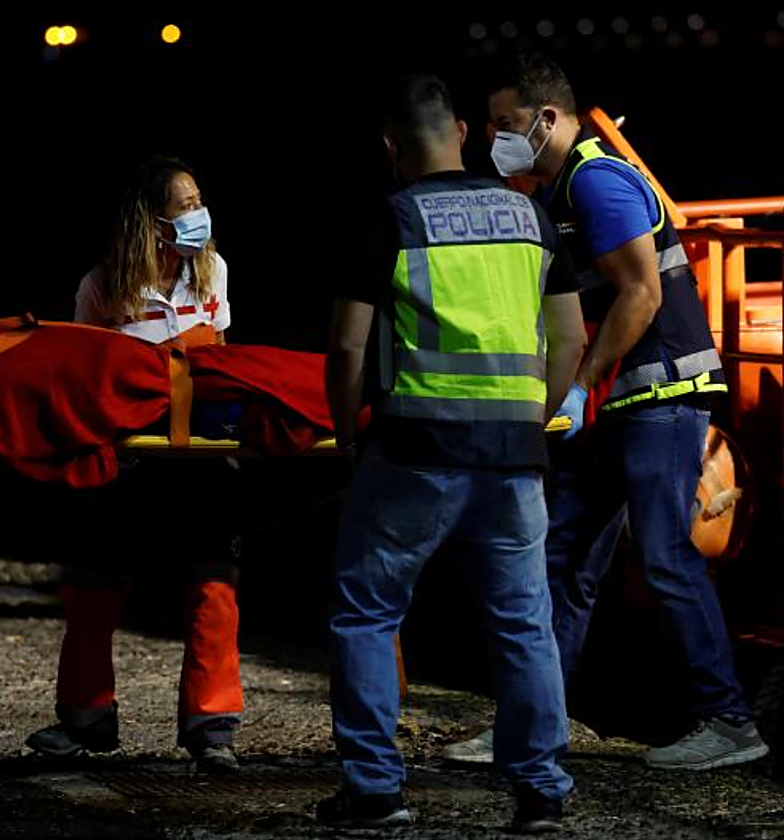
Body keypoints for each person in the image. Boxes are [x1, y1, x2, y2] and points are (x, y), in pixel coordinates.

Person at [445, 54, 768, 772]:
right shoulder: (559, 190)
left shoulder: (596, 180)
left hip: (659, 398)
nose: (494, 137)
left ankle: (730, 721)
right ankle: (532, 725)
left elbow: (642, 294)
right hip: (619, 404)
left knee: (665, 555)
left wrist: (580, 385)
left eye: (503, 122)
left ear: (545, 118)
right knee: (562, 561)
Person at [319, 74, 585, 832]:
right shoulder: (530, 215)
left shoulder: (391, 216)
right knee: (523, 621)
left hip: (413, 450)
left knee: (368, 612)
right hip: (513, 458)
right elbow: (570, 336)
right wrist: (532, 417)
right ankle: (540, 791)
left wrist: (346, 432)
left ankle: (375, 790)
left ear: (390, 146)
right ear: (463, 132)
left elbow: (348, 345)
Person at [24, 156, 244, 773]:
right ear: (152, 221)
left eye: (199, 202)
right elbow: (83, 376)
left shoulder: (214, 272)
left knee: (213, 589)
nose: (199, 215)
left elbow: (223, 360)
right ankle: (86, 720)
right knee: (92, 588)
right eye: (185, 206)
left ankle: (212, 733)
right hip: (125, 465)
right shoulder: (103, 287)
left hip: (199, 462)